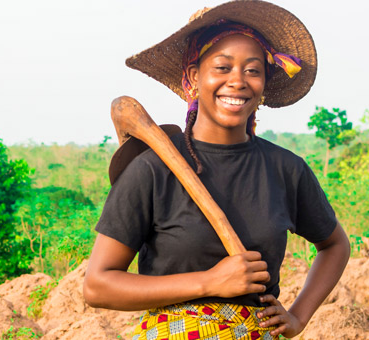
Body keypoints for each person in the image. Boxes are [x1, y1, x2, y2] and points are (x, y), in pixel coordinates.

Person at [82, 1, 350, 339]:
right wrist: (210, 281)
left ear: (264, 84)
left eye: (253, 70)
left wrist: (297, 317)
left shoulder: (285, 169)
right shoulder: (151, 170)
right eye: (222, 68)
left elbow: (335, 244)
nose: (237, 81)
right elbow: (98, 286)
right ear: (194, 77)